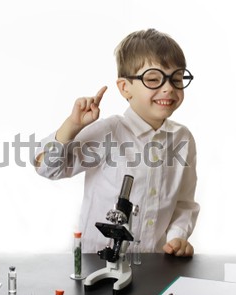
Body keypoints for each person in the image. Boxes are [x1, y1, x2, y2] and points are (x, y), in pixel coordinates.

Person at [34, 29, 199, 257]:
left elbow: (184, 202)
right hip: (97, 262)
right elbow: (46, 167)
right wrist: (71, 126)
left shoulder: (183, 139)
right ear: (125, 88)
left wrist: (177, 236)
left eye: (177, 79)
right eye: (153, 79)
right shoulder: (109, 132)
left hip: (152, 264)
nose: (169, 88)